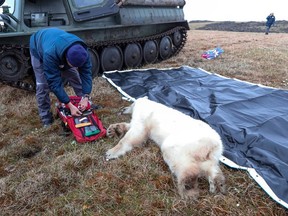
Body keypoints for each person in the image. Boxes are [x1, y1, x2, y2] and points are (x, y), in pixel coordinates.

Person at [29, 28, 93, 127]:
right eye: (72, 64)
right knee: (43, 85)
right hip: (39, 47)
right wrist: (69, 105)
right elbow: (54, 82)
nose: (74, 67)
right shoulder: (49, 54)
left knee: (75, 76)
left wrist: (86, 96)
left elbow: (86, 74)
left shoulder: (82, 52)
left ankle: (84, 104)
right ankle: (45, 117)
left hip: (59, 46)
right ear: (66, 58)